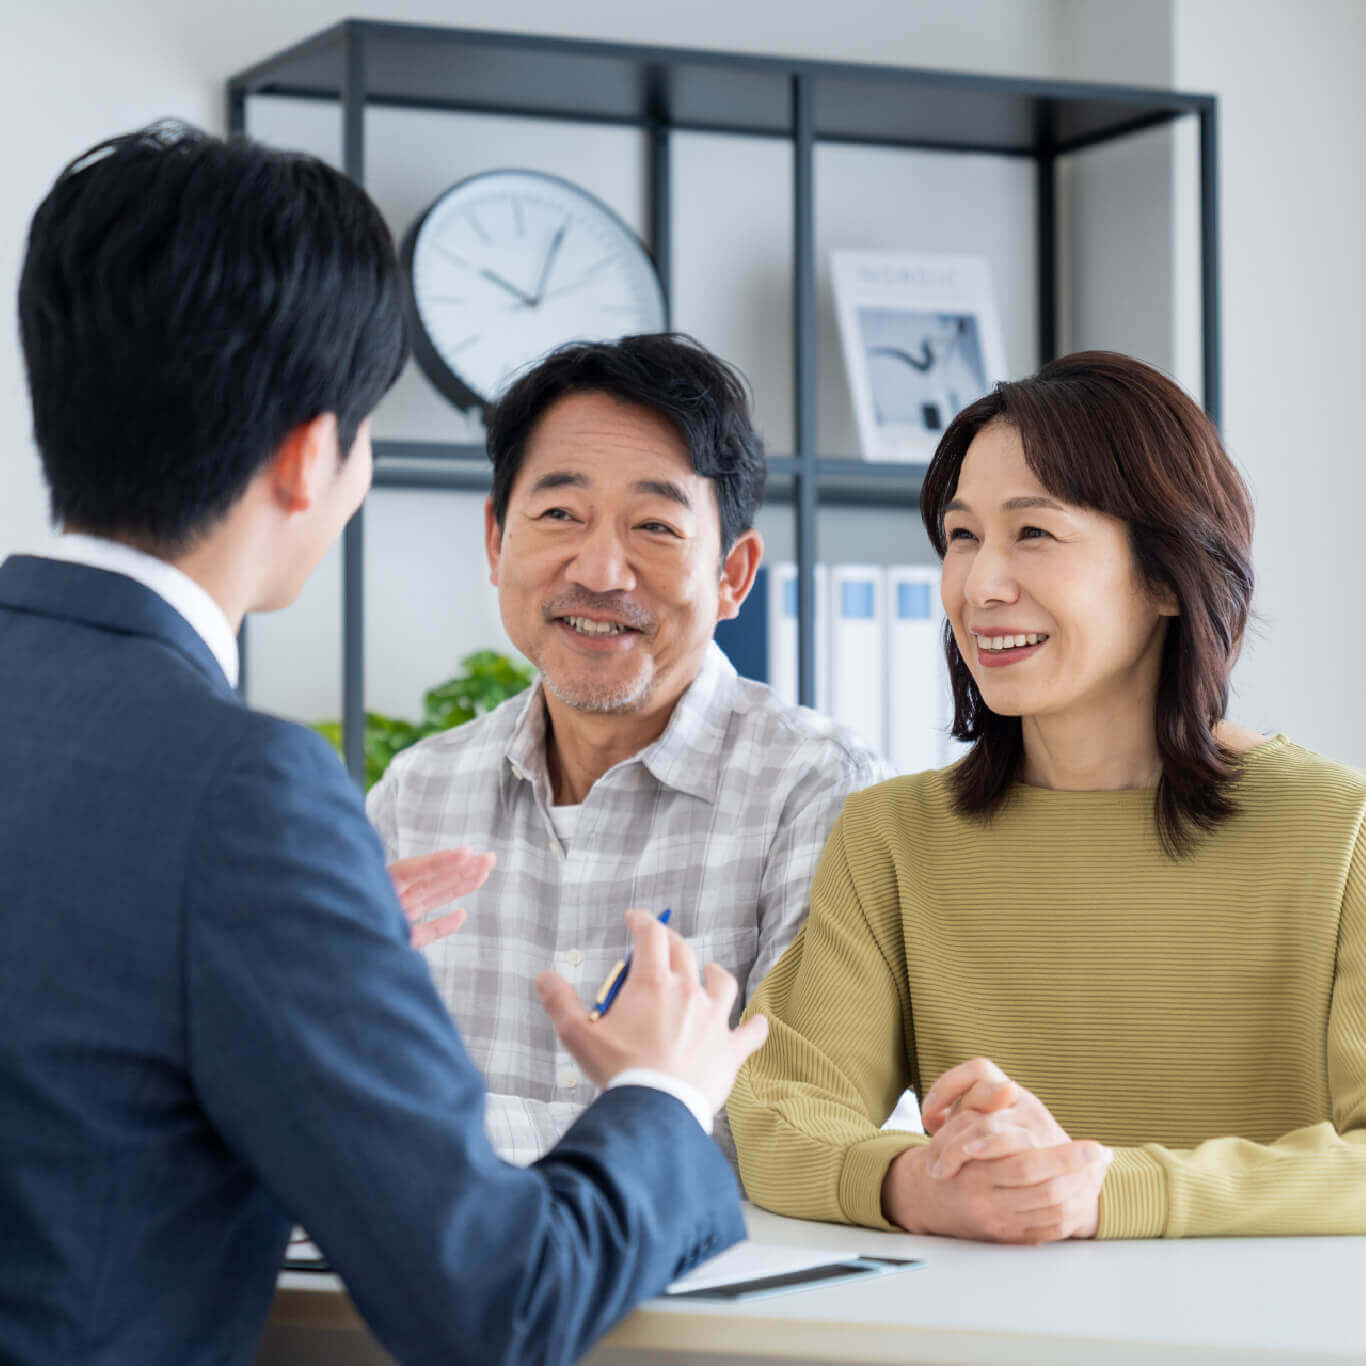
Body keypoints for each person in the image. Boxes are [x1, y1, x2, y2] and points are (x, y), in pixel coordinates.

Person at [0, 122, 769, 1366]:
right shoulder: (243, 794)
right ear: (315, 457)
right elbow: (496, 1301)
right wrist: (662, 1094)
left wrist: (290, 976)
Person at [728, 350, 1366, 1241]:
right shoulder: (893, 836)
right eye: (961, 536)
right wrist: (918, 1184)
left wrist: (1099, 1189)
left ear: (1165, 576)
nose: (980, 584)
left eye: (1033, 534)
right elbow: (778, 1112)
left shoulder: (1339, 829)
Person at [367, 333, 887, 1165]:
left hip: (709, 1291)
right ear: (498, 542)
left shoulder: (819, 790)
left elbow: (776, 1132)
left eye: (655, 525)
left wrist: (420, 1132)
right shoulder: (418, 790)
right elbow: (339, 1083)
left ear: (733, 575)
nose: (602, 571)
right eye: (559, 516)